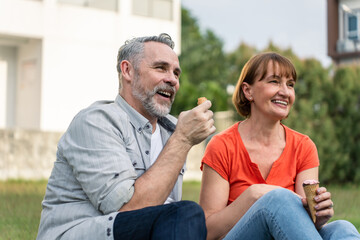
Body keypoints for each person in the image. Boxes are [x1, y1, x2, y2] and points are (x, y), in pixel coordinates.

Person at [36, 33, 216, 240]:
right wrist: (183, 140)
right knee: (186, 213)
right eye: (160, 68)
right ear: (127, 70)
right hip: (83, 232)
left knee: (193, 220)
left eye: (176, 73)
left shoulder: (173, 130)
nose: (172, 80)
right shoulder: (96, 122)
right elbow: (128, 210)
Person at [199, 52, 360, 240]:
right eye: (274, 81)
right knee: (278, 200)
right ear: (248, 91)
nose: (285, 91)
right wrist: (254, 195)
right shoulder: (221, 146)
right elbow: (207, 232)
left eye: (290, 84)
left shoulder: (303, 147)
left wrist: (318, 216)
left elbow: (302, 225)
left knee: (342, 228)